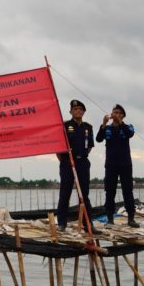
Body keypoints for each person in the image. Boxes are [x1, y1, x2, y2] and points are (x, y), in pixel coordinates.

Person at [96, 103, 138, 227]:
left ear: (123, 116)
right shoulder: (106, 128)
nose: (117, 115)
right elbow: (98, 139)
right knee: (110, 192)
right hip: (110, 165)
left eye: (120, 113)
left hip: (125, 164)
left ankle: (131, 218)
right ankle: (110, 219)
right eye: (115, 112)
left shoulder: (128, 127)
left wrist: (120, 123)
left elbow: (130, 134)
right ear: (111, 114)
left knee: (128, 191)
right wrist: (103, 124)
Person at [56, 99, 95, 231]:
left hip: (83, 162)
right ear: (71, 112)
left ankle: (88, 224)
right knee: (65, 193)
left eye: (80, 109)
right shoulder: (65, 126)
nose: (77, 111)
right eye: (75, 109)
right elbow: (58, 148)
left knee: (84, 195)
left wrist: (81, 156)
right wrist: (64, 160)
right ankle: (62, 223)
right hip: (67, 163)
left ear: (83, 112)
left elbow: (89, 146)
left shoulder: (88, 127)